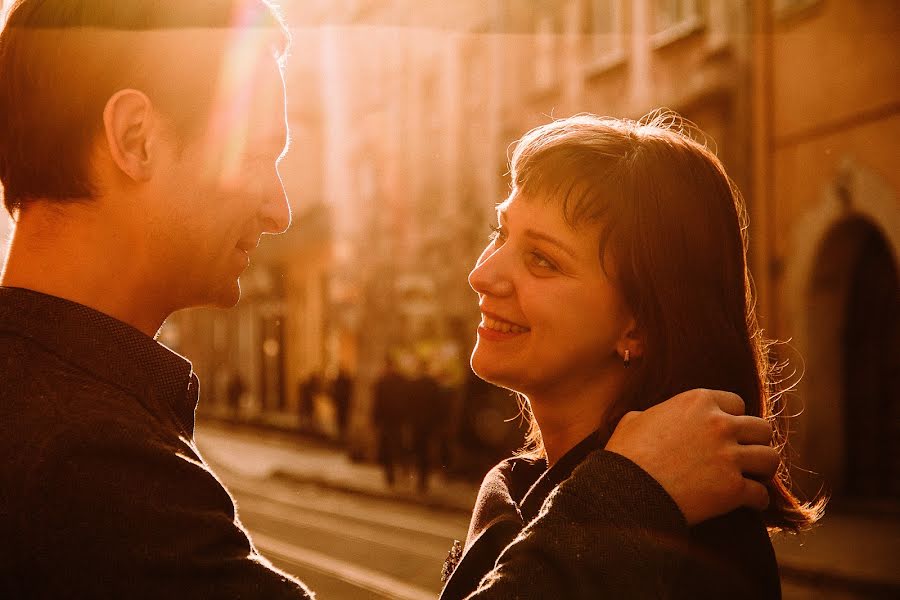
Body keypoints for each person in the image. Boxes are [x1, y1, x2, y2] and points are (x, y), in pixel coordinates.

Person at [0, 1, 782, 597]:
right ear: (136, 139)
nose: (280, 209)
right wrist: (628, 497)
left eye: (543, 257)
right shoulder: (82, 456)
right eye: (259, 155)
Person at [440, 113, 826, 599]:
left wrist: (626, 495)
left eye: (542, 259)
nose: (482, 275)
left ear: (639, 323)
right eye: (500, 232)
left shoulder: (696, 547)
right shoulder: (518, 491)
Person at [372, 355, 408, 487]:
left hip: (388, 421)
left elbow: (377, 402)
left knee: (389, 448)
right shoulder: (401, 380)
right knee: (397, 447)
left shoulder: (382, 381)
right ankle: (398, 473)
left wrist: (375, 420)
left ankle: (391, 476)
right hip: (396, 420)